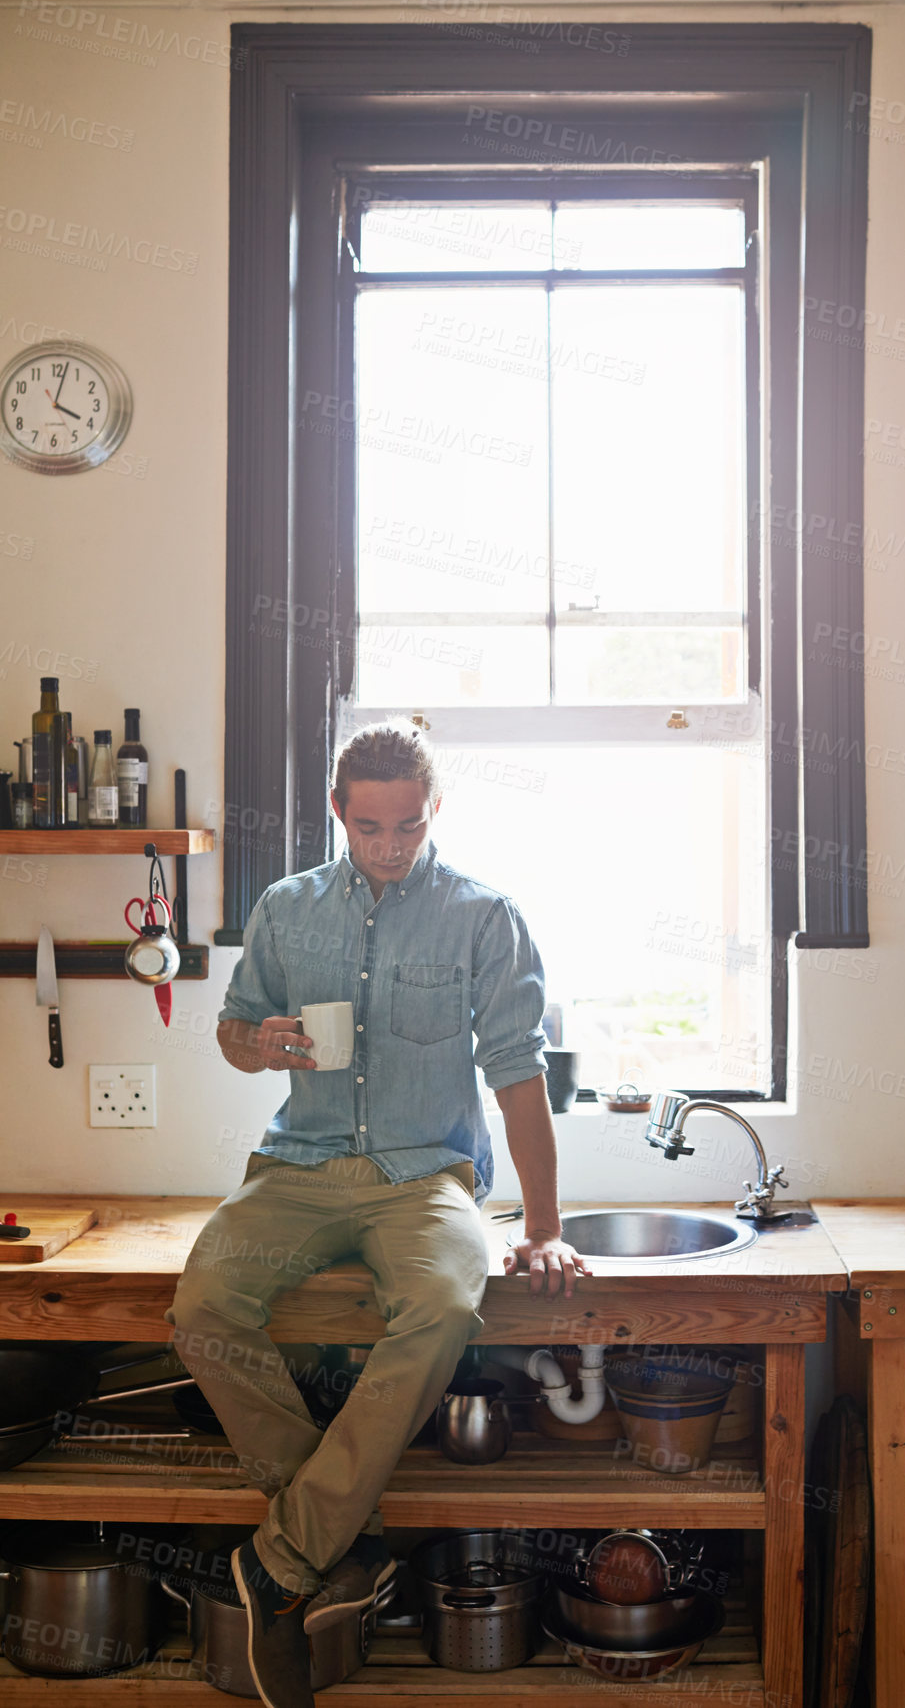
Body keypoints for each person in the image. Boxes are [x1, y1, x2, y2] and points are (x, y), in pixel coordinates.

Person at [167, 720, 589, 1708]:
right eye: (369, 826)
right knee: (201, 1309)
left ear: (431, 808)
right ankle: (337, 1539)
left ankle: (277, 1563)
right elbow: (232, 1033)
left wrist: (542, 1224)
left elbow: (520, 1075)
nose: (389, 844)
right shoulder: (283, 908)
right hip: (297, 1168)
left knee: (442, 1309)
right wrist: (257, 1044)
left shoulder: (484, 917)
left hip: (425, 1180)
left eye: (406, 823)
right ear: (337, 814)